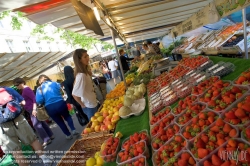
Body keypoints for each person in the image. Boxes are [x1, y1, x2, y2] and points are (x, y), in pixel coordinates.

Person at [0, 86, 53, 166]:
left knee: (16, 151)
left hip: (3, 127)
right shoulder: (6, 89)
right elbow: (23, 102)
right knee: (33, 140)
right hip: (18, 119)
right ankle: (45, 160)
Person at [13, 78, 54, 147]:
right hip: (31, 108)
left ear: (22, 82)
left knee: (36, 125)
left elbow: (34, 99)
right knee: (41, 122)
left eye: (17, 84)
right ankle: (50, 135)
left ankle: (46, 139)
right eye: (15, 85)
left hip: (32, 109)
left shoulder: (26, 90)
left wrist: (34, 109)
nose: (17, 86)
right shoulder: (25, 89)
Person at [36, 75, 79, 140]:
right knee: (67, 116)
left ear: (40, 81)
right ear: (48, 78)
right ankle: (73, 129)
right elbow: (61, 90)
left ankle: (68, 135)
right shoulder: (55, 83)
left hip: (50, 107)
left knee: (59, 122)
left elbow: (39, 100)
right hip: (60, 103)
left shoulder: (39, 89)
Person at [72, 49, 99, 121]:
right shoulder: (81, 75)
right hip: (89, 106)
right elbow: (75, 95)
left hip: (92, 103)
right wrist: (82, 105)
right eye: (85, 57)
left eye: (87, 55)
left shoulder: (84, 73)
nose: (88, 58)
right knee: (95, 128)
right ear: (79, 60)